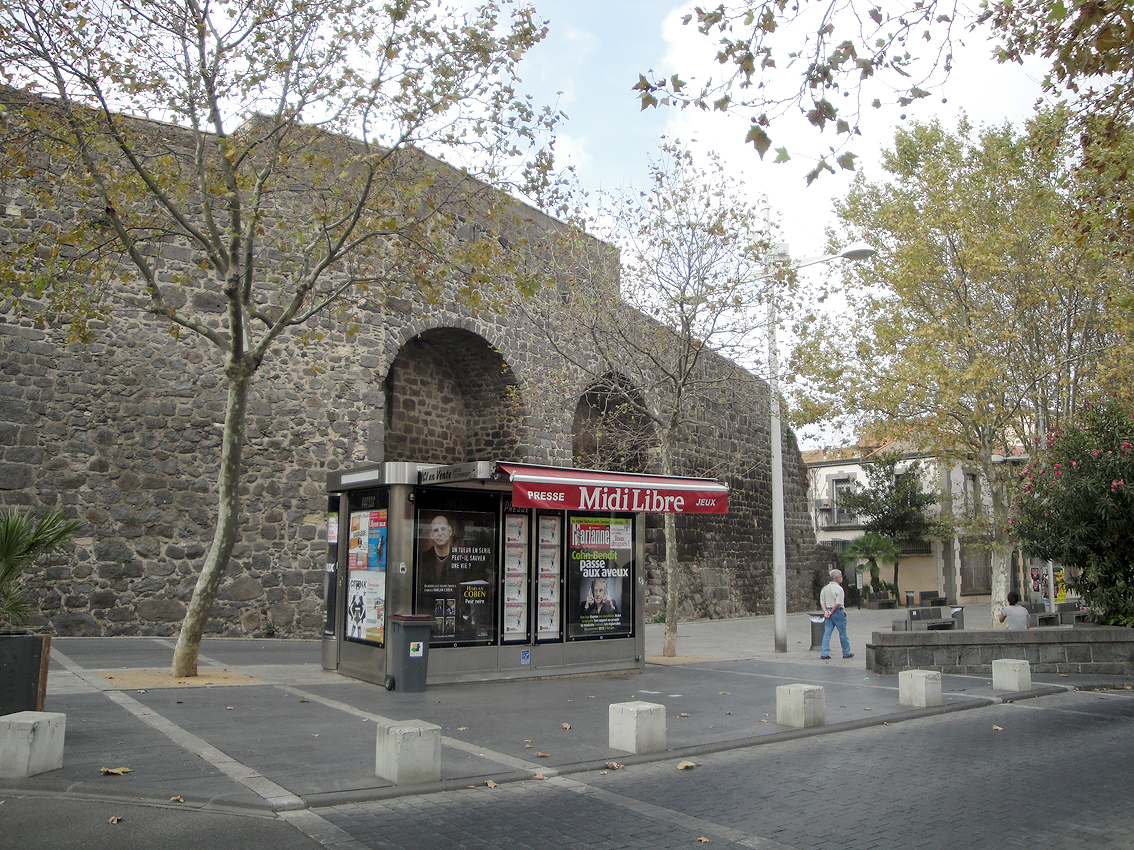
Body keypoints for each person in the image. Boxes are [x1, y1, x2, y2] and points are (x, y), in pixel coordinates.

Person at [820, 568, 854, 660]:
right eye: (841, 576)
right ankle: (846, 652)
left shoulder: (824, 589)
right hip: (837, 612)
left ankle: (824, 652)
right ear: (836, 577)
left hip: (828, 611)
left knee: (827, 633)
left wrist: (826, 611)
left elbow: (822, 602)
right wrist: (832, 611)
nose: (842, 578)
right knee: (843, 633)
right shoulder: (839, 589)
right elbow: (838, 603)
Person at [420, 514, 455, 586]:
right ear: (431, 534)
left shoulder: (460, 560)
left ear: (450, 531)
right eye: (436, 530)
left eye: (443, 529)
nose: (440, 533)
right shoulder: (421, 560)